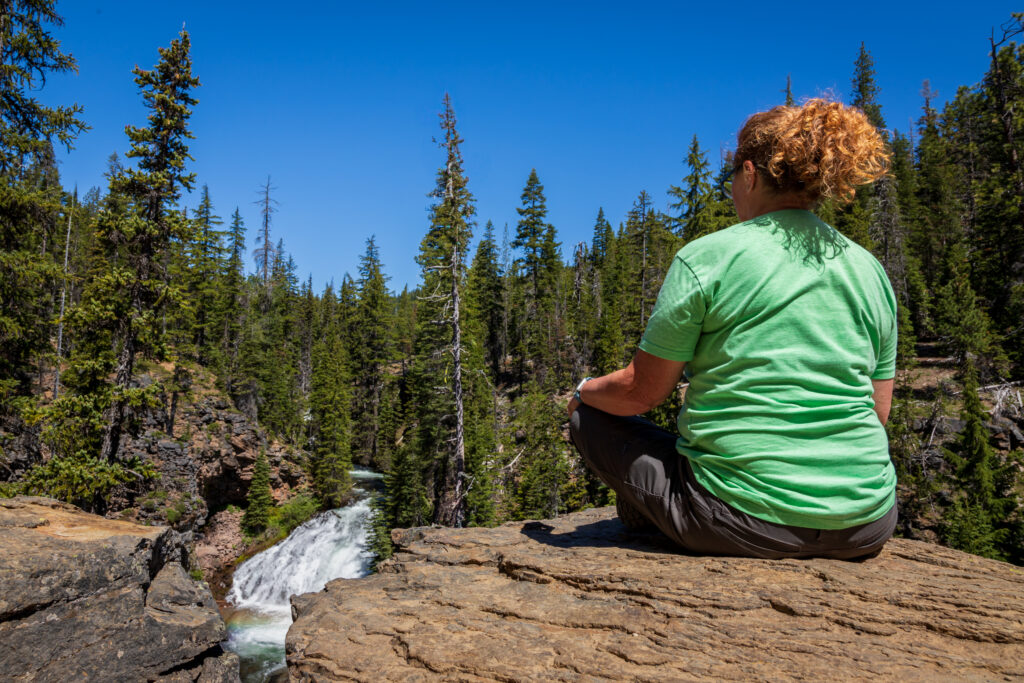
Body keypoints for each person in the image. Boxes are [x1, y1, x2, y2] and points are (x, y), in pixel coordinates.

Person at [568, 98, 897, 560]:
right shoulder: (870, 271)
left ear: (749, 173)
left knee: (590, 418)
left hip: (736, 521)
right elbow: (877, 414)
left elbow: (640, 393)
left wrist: (582, 390)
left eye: (732, 181)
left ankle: (656, 515)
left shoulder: (708, 257)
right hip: (867, 523)